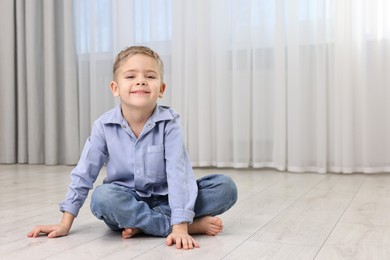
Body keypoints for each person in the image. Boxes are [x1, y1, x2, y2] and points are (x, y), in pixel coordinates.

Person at [27, 46, 237, 250]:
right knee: (103, 199)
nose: (141, 81)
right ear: (115, 88)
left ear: (161, 89)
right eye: (130, 76)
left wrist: (180, 224)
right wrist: (65, 223)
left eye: (150, 76)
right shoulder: (103, 126)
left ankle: (149, 225)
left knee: (225, 187)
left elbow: (178, 174)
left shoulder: (169, 123)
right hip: (127, 201)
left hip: (167, 199)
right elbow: (84, 174)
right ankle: (181, 225)